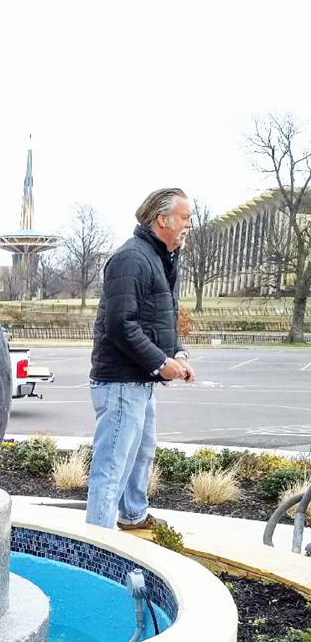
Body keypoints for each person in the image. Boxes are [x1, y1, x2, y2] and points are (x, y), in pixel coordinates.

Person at [85, 188, 195, 530]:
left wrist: (177, 352)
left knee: (140, 456)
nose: (188, 225)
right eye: (184, 218)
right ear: (162, 220)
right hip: (120, 382)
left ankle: (132, 515)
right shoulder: (132, 259)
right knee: (112, 467)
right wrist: (161, 364)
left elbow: (163, 318)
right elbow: (121, 324)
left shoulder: (158, 258)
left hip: (140, 381)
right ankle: (96, 541)